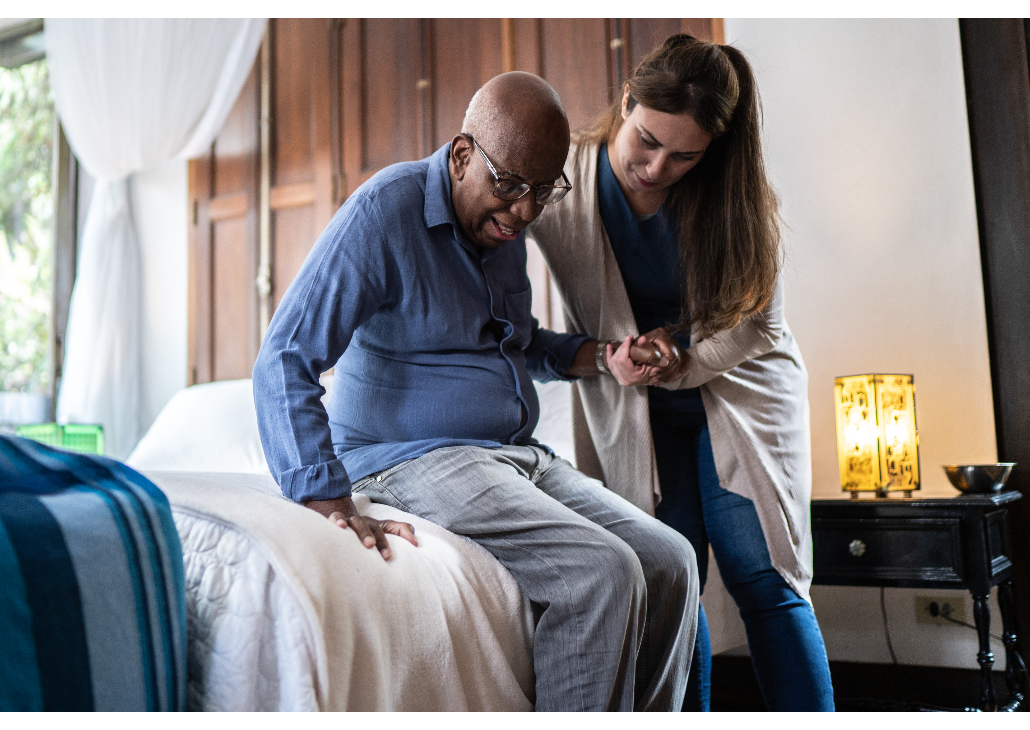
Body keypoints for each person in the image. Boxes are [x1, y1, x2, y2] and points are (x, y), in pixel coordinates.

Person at [253, 71, 699, 711]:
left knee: (670, 560)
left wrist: (601, 355)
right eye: (510, 185)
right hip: (411, 456)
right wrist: (326, 497)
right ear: (462, 155)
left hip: (514, 457)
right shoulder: (386, 213)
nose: (523, 211)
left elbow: (517, 343)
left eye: (542, 191)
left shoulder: (500, 229)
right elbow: (285, 354)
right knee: (601, 574)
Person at [527, 34, 834, 711]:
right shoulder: (565, 180)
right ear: (627, 102)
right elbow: (493, 256)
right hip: (636, 406)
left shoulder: (735, 194)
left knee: (762, 575)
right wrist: (604, 356)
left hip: (741, 391)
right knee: (671, 575)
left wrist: (679, 356)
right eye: (646, 141)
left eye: (684, 155)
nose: (657, 167)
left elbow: (760, 324)